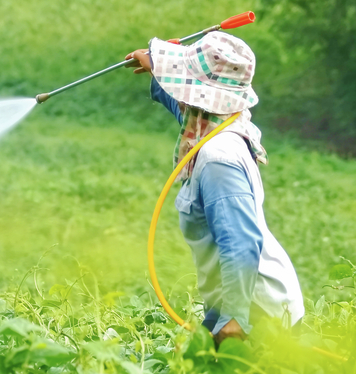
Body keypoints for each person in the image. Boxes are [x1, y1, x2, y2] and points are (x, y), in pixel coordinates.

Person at [125, 31, 304, 344]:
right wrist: (157, 68)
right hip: (244, 305)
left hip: (256, 315)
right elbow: (183, 106)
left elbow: (240, 244)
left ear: (200, 95)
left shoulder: (217, 158)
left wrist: (234, 319)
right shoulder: (220, 123)